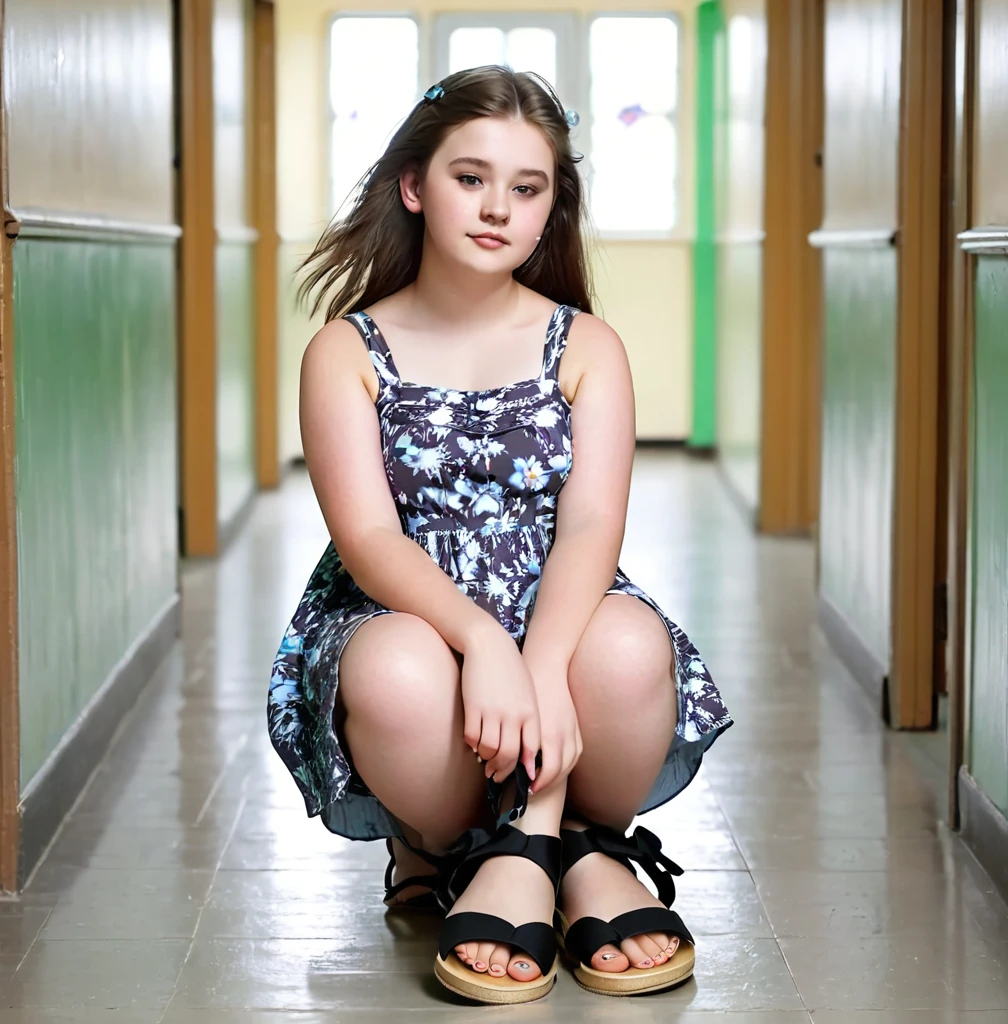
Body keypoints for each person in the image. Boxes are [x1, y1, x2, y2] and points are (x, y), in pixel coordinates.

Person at [268, 65, 732, 1005]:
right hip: (414, 615)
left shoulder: (586, 344)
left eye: (528, 188)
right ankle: (460, 847)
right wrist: (483, 640)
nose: (497, 208)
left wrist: (544, 659)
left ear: (551, 208)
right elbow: (365, 534)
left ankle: (555, 843)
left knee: (631, 645)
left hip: (556, 605)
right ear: (414, 186)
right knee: (396, 670)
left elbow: (594, 521)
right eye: (469, 178)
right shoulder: (345, 352)